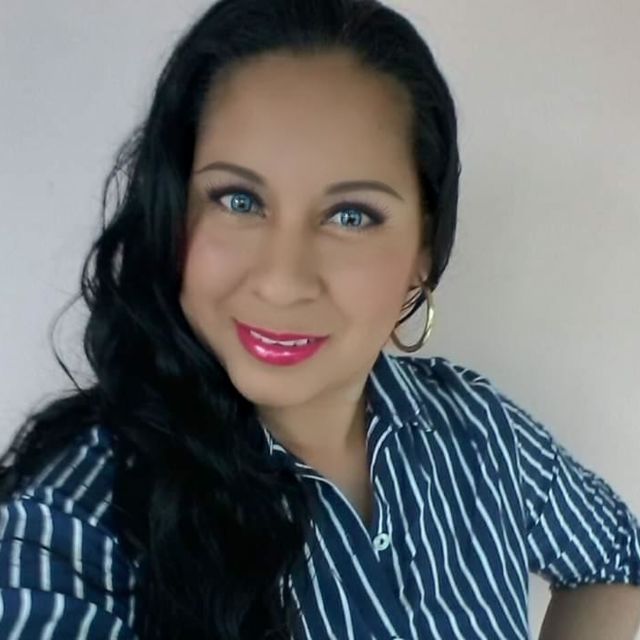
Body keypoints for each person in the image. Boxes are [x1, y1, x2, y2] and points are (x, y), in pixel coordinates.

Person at [1, 0, 639, 638]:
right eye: (238, 200)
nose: (282, 281)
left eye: (350, 215)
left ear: (422, 250)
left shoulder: (480, 432)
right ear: (172, 212)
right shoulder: (70, 526)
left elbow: (617, 555)